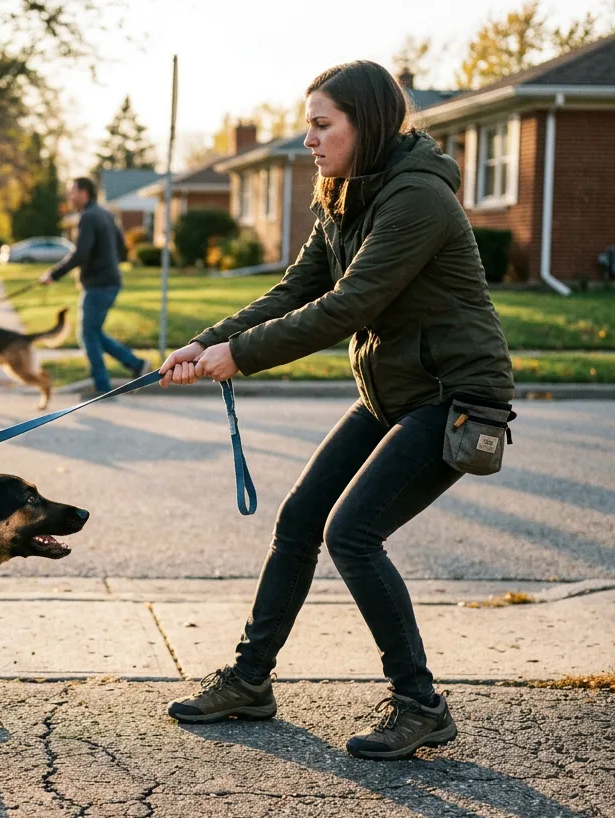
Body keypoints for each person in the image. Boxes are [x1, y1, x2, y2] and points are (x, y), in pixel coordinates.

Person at [158, 60, 514, 760]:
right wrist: (207, 341)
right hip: (393, 392)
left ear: (367, 123)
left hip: (455, 395)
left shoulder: (418, 199)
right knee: (300, 520)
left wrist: (241, 357)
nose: (309, 140)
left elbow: (348, 306)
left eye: (323, 125)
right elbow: (297, 288)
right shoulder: (342, 193)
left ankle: (420, 704)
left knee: (352, 533)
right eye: (308, 125)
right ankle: (250, 680)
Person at [40, 176, 145, 395]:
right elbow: (121, 248)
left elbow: (80, 254)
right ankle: (135, 364)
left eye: (72, 191)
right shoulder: (106, 214)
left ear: (84, 193)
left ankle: (102, 387)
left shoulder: (88, 217)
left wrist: (54, 274)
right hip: (110, 281)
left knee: (87, 334)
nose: (69, 196)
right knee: (94, 332)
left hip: (98, 285)